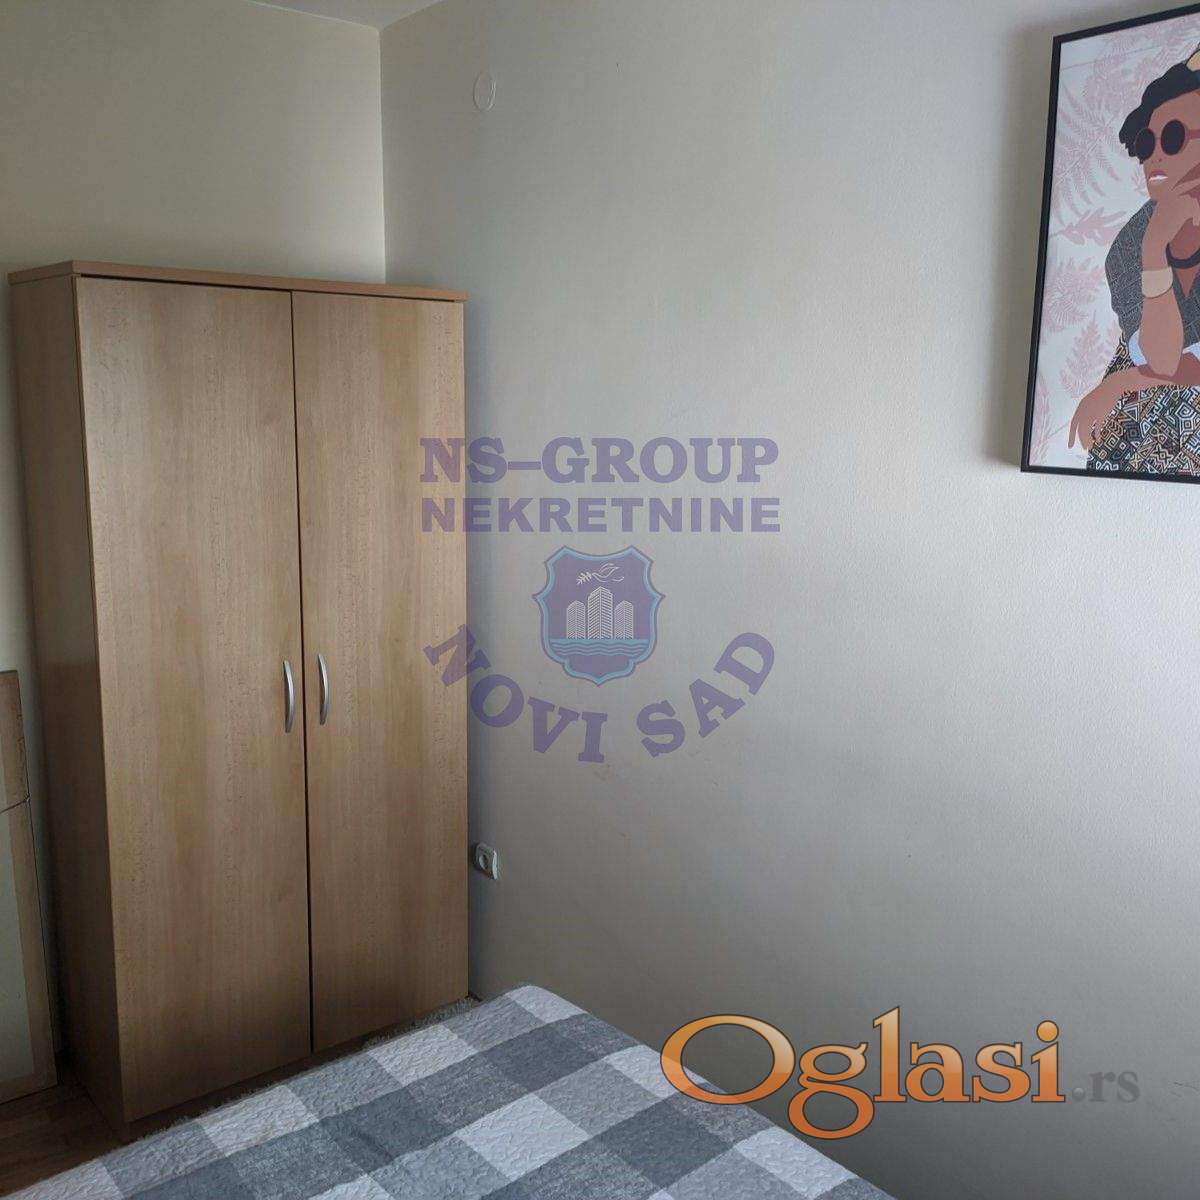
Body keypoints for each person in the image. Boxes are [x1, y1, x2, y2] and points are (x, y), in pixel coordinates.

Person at [1070, 46, 1200, 473]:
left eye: (1175, 137)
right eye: (1147, 144)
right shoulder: (1128, 248)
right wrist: (1154, 250)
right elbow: (1161, 362)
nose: (1155, 156)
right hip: (1143, 423)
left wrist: (1124, 381)